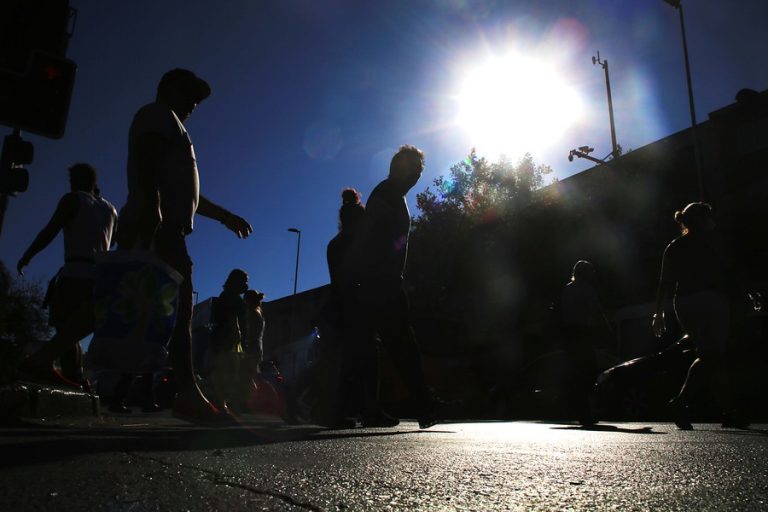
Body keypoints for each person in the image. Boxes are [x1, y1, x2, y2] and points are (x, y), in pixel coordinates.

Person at [116, 68, 253, 424]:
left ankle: (43, 358)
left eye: (196, 100)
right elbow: (147, 159)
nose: (193, 104)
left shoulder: (171, 124)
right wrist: (152, 207)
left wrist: (224, 216)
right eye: (188, 95)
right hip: (158, 227)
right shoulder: (158, 116)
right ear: (168, 89)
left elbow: (185, 192)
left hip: (161, 225)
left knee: (131, 303)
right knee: (177, 309)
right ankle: (188, 394)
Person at [348, 145, 439, 429]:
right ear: (400, 168)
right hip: (380, 282)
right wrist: (366, 275)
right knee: (401, 344)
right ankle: (424, 405)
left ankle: (377, 408)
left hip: (382, 280)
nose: (418, 175)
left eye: (420, 171)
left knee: (379, 346)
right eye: (415, 169)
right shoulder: (386, 193)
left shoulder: (393, 195)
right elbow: (368, 235)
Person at [16, 163, 117, 389]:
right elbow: (113, 242)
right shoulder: (111, 210)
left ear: (76, 182)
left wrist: (28, 254)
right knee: (74, 332)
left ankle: (45, 364)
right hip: (98, 277)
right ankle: (75, 378)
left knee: (66, 327)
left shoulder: (73, 200)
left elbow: (50, 230)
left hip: (74, 274)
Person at [652, 202, 747, 429]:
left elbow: (665, 282)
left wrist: (659, 312)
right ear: (702, 220)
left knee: (710, 356)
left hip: (686, 302)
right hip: (710, 300)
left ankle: (724, 411)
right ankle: (688, 403)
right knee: (712, 355)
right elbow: (731, 271)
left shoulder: (675, 247)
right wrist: (747, 290)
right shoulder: (713, 243)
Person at [559, 260, 609, 426]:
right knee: (588, 371)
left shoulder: (567, 289)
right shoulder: (587, 289)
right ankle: (585, 410)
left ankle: (577, 408)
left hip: (568, 335)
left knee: (575, 372)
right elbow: (597, 312)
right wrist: (606, 330)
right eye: (590, 271)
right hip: (582, 333)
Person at [208, 269, 249, 410]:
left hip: (225, 339)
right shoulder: (232, 297)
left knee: (226, 372)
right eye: (244, 281)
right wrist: (238, 335)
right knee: (227, 372)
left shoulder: (226, 295)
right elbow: (232, 317)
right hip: (227, 340)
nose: (246, 284)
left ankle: (221, 403)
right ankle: (221, 404)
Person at [243, 288, 265, 375]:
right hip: (257, 347)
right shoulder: (258, 313)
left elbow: (248, 332)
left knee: (251, 375)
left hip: (251, 348)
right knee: (253, 374)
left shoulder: (251, 314)